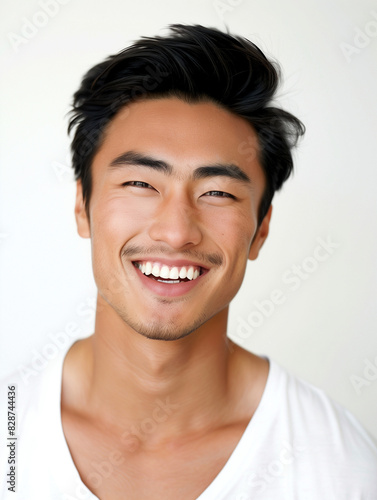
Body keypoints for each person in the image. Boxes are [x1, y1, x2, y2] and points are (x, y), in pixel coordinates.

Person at [1, 24, 376, 500]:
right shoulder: (9, 434)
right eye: (140, 184)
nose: (176, 231)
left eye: (217, 192)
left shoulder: (341, 470)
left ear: (261, 228)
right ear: (83, 207)